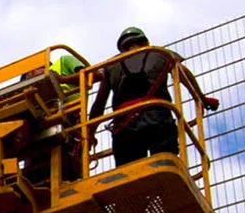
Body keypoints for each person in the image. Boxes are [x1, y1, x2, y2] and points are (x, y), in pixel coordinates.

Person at [89, 26, 219, 167]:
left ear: (121, 48)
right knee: (164, 166)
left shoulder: (111, 65)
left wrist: (89, 133)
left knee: (129, 174)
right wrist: (201, 97)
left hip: (125, 125)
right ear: (145, 42)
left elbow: (99, 103)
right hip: (158, 117)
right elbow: (183, 74)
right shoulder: (160, 53)